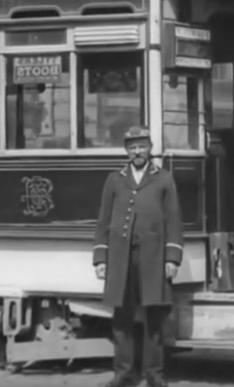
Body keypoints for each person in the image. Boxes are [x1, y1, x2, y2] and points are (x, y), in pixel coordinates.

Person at [92, 126, 183, 387]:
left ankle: (155, 376)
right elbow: (103, 220)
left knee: (155, 319)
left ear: (150, 148)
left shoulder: (164, 179)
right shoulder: (115, 179)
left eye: (142, 146)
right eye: (132, 147)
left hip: (154, 260)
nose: (138, 151)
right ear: (127, 151)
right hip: (121, 259)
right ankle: (124, 375)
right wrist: (101, 258)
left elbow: (173, 220)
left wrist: (171, 259)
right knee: (122, 319)